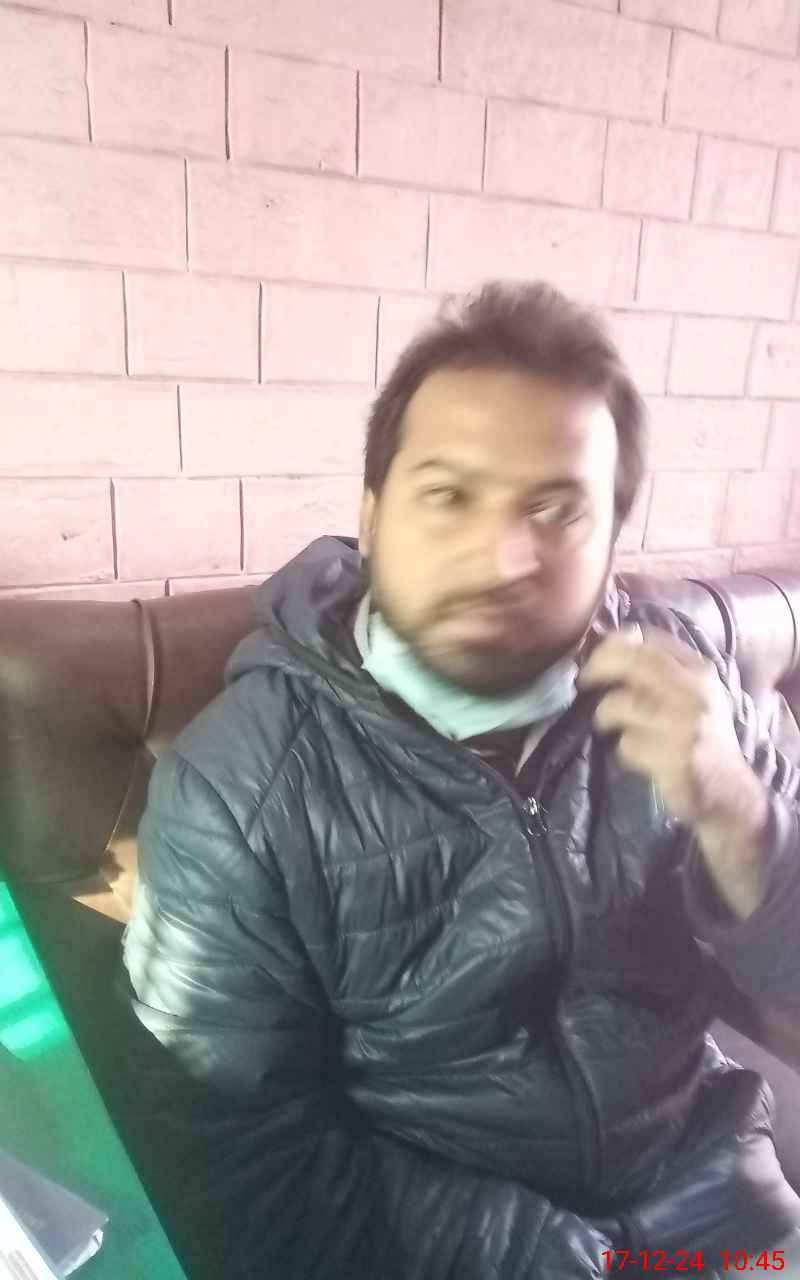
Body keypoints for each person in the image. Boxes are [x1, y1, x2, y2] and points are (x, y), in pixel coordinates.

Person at [118, 282, 800, 1279]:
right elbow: (238, 1163)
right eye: (448, 494)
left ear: (613, 540)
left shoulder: (688, 687)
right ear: (371, 514)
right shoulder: (240, 790)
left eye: (557, 509)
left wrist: (739, 816)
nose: (505, 556)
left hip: (720, 1207)